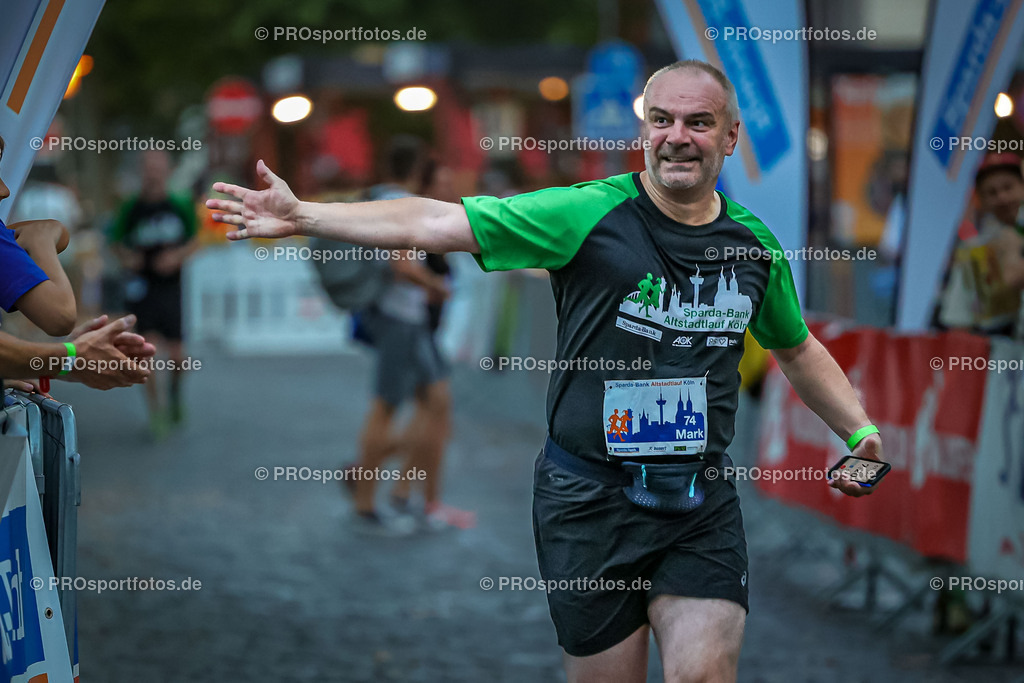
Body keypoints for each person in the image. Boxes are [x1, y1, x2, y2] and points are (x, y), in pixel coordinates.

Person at [208, 60, 884, 682]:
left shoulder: (753, 246)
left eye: (699, 123)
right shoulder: (585, 213)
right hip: (588, 499)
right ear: (644, 130)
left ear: (731, 137)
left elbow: (794, 346)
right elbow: (439, 220)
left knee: (702, 673)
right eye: (662, 120)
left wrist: (859, 432)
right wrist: (306, 215)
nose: (678, 137)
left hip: (698, 503)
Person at [343, 137, 474, 535]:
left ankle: (387, 487)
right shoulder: (399, 203)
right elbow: (401, 265)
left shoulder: (376, 196)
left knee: (433, 401)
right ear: (417, 171)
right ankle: (365, 498)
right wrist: (435, 284)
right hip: (399, 317)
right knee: (386, 406)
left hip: (397, 318)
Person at [0, 135, 154, 389]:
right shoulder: (64, 197)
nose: (5, 190)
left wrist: (16, 368)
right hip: (53, 257)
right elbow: (60, 316)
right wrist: (72, 356)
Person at [110, 149, 198, 433]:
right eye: (148, 166)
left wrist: (177, 257)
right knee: (145, 354)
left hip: (171, 289)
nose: (153, 172)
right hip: (142, 290)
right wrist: (128, 259)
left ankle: (175, 395)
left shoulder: (180, 204)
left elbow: (196, 240)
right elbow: (115, 241)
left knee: (177, 356)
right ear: (141, 171)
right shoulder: (131, 207)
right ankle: (155, 413)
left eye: (158, 166)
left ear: (168, 170)